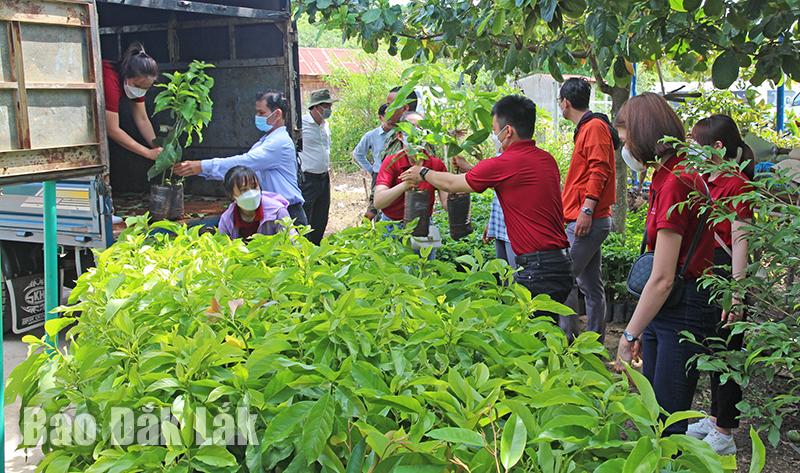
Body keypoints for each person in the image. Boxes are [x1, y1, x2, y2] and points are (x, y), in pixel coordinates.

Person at [400, 95, 573, 304]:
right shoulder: (546, 159)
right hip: (561, 263)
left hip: (538, 270)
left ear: (508, 131)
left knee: (529, 324)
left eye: (494, 130)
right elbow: (510, 184)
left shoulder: (505, 163)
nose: (494, 136)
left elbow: (453, 184)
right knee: (548, 323)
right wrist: (468, 167)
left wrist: (423, 172)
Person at [613, 93, 717, 436]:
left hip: (682, 306)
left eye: (626, 138)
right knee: (653, 411)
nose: (625, 148)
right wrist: (644, 325)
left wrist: (628, 335)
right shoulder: (668, 174)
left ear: (643, 133)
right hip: (668, 306)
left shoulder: (677, 181)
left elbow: (662, 278)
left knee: (667, 422)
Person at [685, 114, 754, 455]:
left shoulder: (738, 185)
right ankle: (714, 419)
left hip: (727, 272)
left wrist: (737, 293)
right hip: (707, 270)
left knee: (728, 352)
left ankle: (725, 432)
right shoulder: (703, 179)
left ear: (717, 146)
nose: (690, 149)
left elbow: (741, 241)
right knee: (713, 348)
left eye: (696, 143)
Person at [174, 90, 307, 225]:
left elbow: (244, 163)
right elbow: (238, 173)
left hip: (288, 214)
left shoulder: (279, 143)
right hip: (273, 213)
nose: (257, 117)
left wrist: (201, 166)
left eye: (261, 113)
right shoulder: (265, 141)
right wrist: (200, 169)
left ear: (277, 114)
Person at [558, 78, 617, 342]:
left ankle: (568, 342)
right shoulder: (589, 127)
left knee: (564, 278)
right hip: (590, 217)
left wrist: (587, 210)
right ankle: (594, 342)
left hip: (588, 219)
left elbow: (599, 170)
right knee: (591, 285)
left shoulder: (593, 127)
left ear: (565, 103)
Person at [374, 111, 448, 246]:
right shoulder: (392, 162)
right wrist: (405, 185)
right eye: (411, 128)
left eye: (420, 129)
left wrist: (459, 191)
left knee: (426, 259)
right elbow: (378, 202)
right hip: (393, 226)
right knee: (393, 260)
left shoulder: (436, 164)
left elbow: (446, 203)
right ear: (400, 135)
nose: (416, 133)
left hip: (424, 224)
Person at [102, 42, 161, 162]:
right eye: (137, 86)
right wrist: (148, 153)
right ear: (126, 75)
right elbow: (112, 129)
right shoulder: (109, 79)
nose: (140, 91)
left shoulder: (137, 84)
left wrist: (157, 148)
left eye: (145, 88)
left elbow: (142, 119)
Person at [299, 89, 336, 245]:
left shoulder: (325, 125)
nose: (329, 109)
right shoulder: (302, 124)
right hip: (308, 178)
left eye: (330, 106)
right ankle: (304, 249)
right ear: (316, 107)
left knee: (321, 216)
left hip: (324, 177)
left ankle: (316, 247)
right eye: (325, 106)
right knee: (305, 216)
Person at [218, 166, 292, 239]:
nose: (251, 193)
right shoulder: (227, 219)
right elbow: (222, 243)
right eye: (244, 190)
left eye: (254, 187)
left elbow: (291, 241)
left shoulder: (277, 212)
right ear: (232, 195)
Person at [353, 103, 389, 220]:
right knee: (374, 207)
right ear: (380, 117)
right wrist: (371, 170)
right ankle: (367, 229)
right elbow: (358, 153)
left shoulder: (400, 134)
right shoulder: (372, 135)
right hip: (379, 175)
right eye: (388, 114)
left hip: (397, 175)